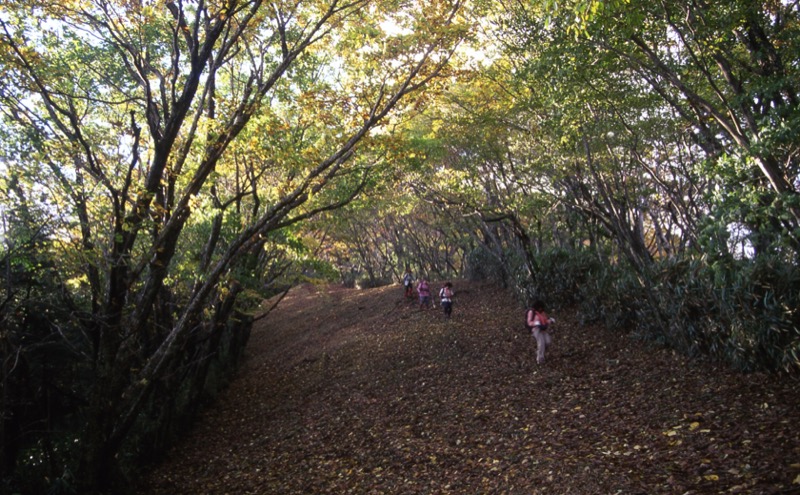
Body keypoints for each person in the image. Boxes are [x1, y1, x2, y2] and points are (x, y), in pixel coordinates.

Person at [526, 300, 556, 364]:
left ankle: (541, 351)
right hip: (536, 329)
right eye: (540, 307)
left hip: (542, 329)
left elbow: (545, 321)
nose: (541, 309)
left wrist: (550, 320)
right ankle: (540, 359)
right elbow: (529, 322)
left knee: (548, 341)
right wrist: (535, 323)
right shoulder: (531, 312)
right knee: (541, 342)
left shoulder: (542, 312)